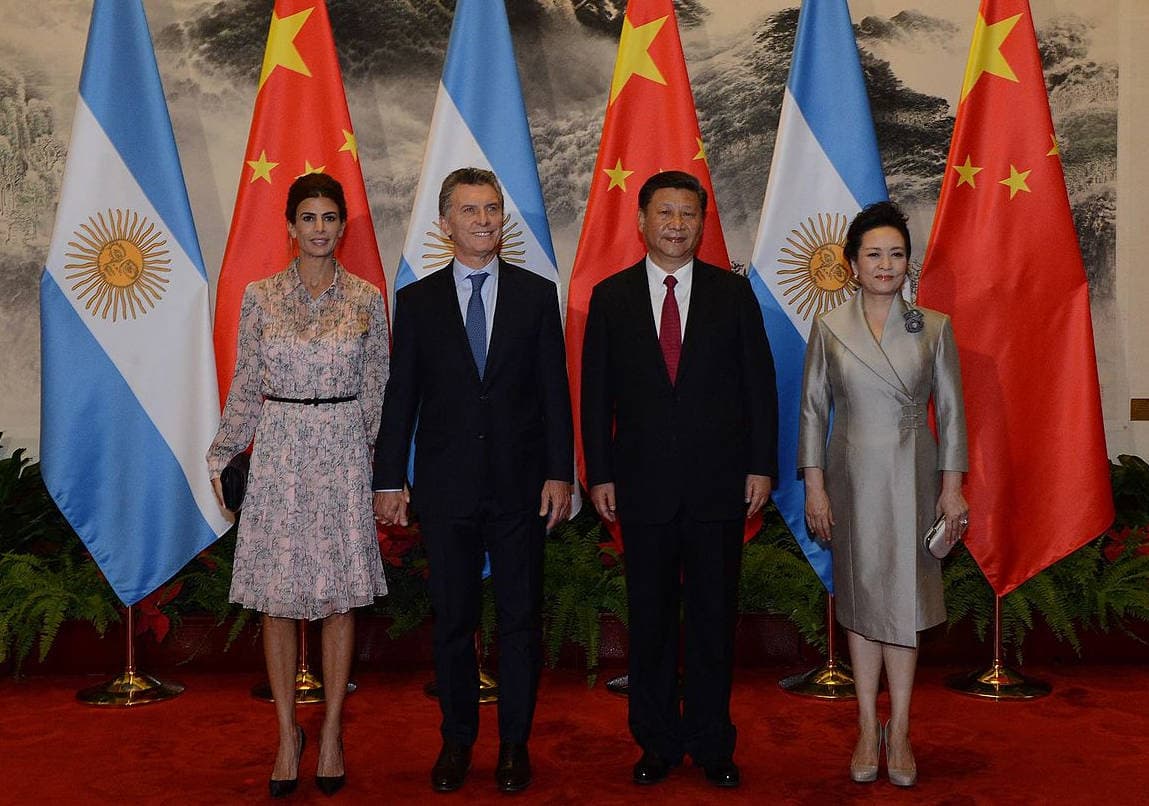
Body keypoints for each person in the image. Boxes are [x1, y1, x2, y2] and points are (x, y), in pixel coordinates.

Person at [372, 167, 573, 794]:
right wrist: (387, 479)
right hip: (446, 489)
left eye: (491, 209)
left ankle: (514, 744)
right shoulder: (419, 301)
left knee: (519, 620)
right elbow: (400, 397)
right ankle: (456, 741)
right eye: (469, 210)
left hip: (521, 490)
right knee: (454, 622)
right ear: (446, 223)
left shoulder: (538, 295)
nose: (484, 220)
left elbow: (553, 397)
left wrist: (560, 474)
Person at [581, 170, 778, 789]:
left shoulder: (732, 294)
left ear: (702, 221)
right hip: (640, 489)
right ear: (641, 220)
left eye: (687, 214)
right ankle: (657, 742)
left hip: (719, 486)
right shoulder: (609, 298)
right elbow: (594, 399)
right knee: (652, 622)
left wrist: (761, 465)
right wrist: (600, 474)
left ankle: (713, 742)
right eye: (664, 212)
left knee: (714, 620)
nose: (675, 224)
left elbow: (759, 388)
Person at [207, 173, 389, 798]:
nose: (318, 229)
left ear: (343, 226)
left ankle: (332, 731)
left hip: (342, 455)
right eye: (307, 217)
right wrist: (225, 455)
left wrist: (385, 476)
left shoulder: (368, 298)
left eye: (329, 218)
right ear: (290, 226)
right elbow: (245, 386)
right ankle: (288, 734)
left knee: (340, 601)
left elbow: (378, 397)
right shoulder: (259, 298)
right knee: (276, 603)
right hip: (280, 455)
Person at [798, 200, 968, 788]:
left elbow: (950, 412)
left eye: (896, 254)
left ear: (907, 264)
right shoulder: (829, 328)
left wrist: (953, 489)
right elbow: (813, 411)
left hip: (914, 481)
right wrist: (814, 487)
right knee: (863, 601)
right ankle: (867, 725)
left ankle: (901, 730)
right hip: (849, 483)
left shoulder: (935, 327)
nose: (886, 264)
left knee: (905, 602)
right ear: (852, 264)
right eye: (874, 254)